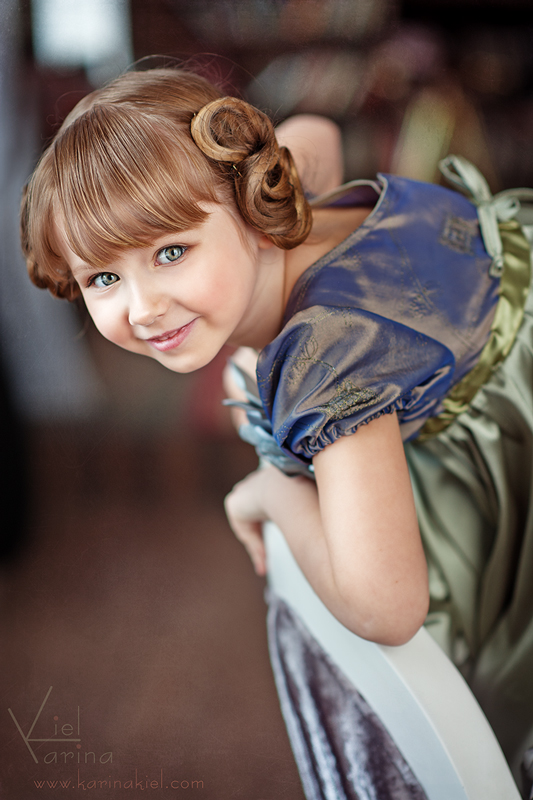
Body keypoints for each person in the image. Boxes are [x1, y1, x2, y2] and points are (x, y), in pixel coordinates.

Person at [20, 66, 533, 774]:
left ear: (250, 208)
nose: (143, 308)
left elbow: (386, 607)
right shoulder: (292, 187)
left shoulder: (323, 359)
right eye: (103, 277)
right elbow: (317, 133)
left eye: (171, 252)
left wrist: (273, 492)